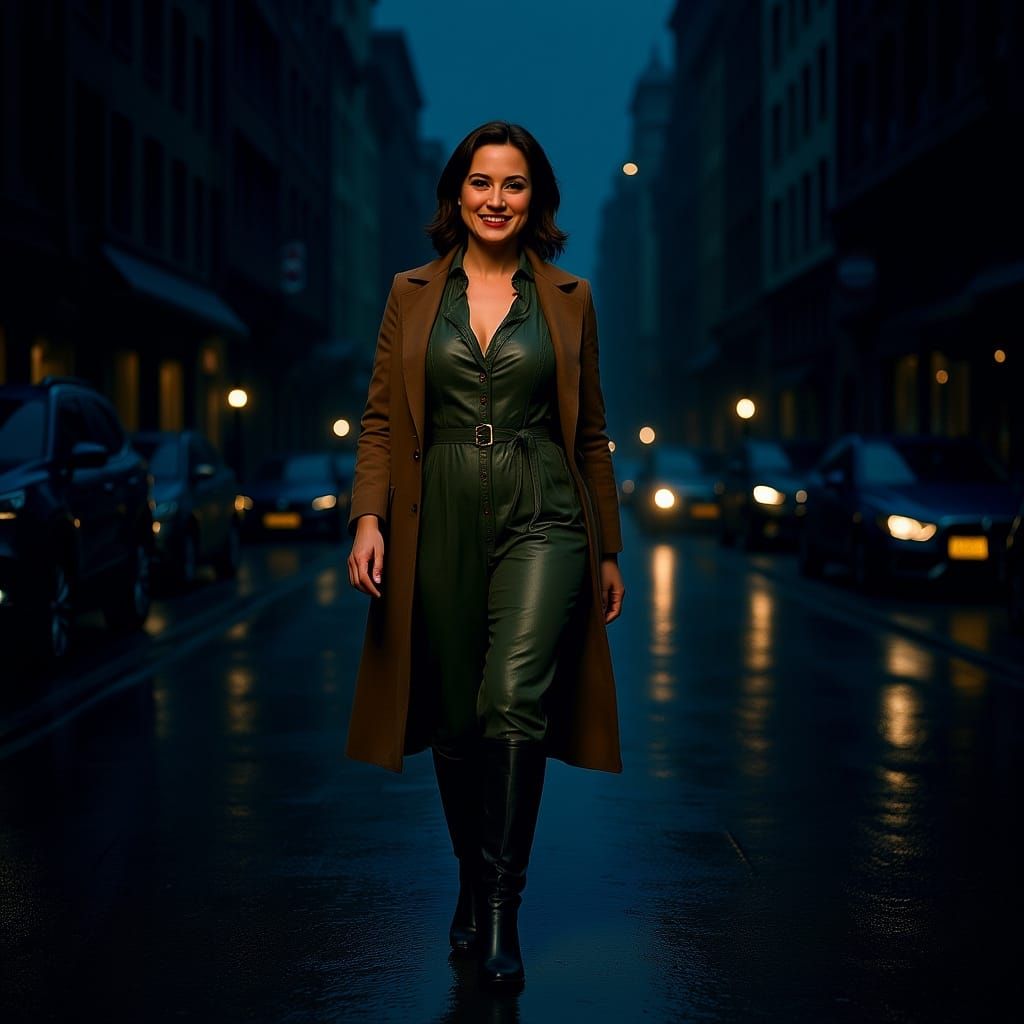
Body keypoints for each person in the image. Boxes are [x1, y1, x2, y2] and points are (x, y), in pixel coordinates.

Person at [345, 121, 625, 990]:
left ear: (534, 196)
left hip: (544, 507)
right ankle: (471, 882)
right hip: (439, 510)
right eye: (480, 183)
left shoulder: (571, 296)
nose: (495, 200)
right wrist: (367, 518)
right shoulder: (411, 291)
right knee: (456, 718)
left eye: (512, 184)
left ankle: (502, 907)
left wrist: (606, 545)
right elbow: (384, 418)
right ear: (456, 194)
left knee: (513, 697)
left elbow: (592, 434)